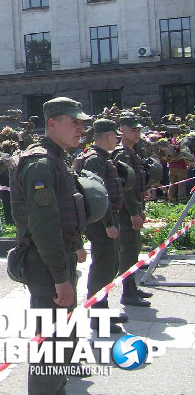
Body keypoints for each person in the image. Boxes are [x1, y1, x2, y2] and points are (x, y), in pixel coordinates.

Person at [9, 97, 90, 395]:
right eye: (74, 122)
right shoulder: (41, 163)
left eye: (82, 122)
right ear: (52, 124)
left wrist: (76, 246)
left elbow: (64, 213)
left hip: (57, 261)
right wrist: (60, 277)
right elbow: (43, 227)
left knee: (63, 344)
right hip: (46, 267)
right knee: (52, 350)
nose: (81, 128)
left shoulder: (57, 159)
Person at [75, 119, 127, 333]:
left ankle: (102, 310)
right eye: (116, 136)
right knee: (103, 268)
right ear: (107, 136)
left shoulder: (101, 157)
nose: (117, 140)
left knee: (109, 266)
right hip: (101, 222)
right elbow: (97, 194)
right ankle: (98, 316)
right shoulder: (95, 159)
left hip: (106, 219)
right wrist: (108, 223)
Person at [113, 113, 152, 307]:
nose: (137, 133)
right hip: (126, 211)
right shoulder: (123, 153)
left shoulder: (132, 151)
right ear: (122, 130)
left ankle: (133, 288)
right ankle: (127, 293)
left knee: (134, 248)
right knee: (128, 250)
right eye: (133, 130)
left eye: (138, 130)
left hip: (134, 206)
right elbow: (124, 188)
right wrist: (134, 212)